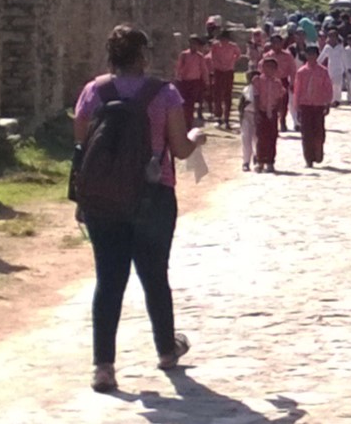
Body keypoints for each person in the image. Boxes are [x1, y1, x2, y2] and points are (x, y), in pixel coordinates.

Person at [73, 25, 205, 394]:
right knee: (154, 275)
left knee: (108, 279)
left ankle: (103, 366)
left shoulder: (93, 91)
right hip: (153, 195)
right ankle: (166, 349)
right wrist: (197, 137)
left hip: (103, 198)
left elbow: (82, 143)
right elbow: (180, 149)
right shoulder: (164, 93)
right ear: (143, 55)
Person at [290, 46, 335, 168]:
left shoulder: (323, 71)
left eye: (313, 54)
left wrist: (327, 103)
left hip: (318, 105)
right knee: (306, 133)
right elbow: (297, 90)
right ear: (306, 55)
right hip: (305, 106)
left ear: (317, 55)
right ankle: (308, 158)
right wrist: (297, 107)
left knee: (319, 132)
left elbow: (328, 88)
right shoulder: (301, 72)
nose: (311, 57)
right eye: (309, 54)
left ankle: (318, 152)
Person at [246, 54, 286, 173]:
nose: (269, 70)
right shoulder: (258, 80)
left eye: (272, 67)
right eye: (267, 67)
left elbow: (280, 98)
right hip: (262, 111)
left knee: (272, 137)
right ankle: (260, 161)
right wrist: (257, 112)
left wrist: (279, 112)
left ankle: (270, 161)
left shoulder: (277, 83)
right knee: (261, 137)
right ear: (262, 68)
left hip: (272, 112)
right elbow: (256, 96)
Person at [208, 31, 241, 128]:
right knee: (217, 93)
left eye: (225, 40)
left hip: (228, 71)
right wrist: (218, 64)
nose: (224, 41)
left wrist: (232, 61)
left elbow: (238, 54)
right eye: (222, 39)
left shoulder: (233, 46)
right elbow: (213, 56)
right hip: (218, 70)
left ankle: (227, 117)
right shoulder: (215, 46)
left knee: (228, 94)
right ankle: (218, 116)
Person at [174, 36, 209, 126]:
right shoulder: (184, 55)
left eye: (195, 44)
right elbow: (178, 67)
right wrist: (178, 78)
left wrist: (206, 81)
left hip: (195, 82)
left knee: (191, 102)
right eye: (192, 43)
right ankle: (183, 120)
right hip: (184, 82)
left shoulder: (200, 57)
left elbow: (203, 70)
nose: (193, 46)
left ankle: (189, 120)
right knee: (183, 102)